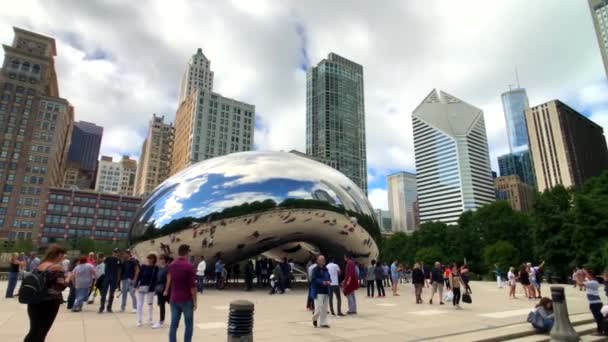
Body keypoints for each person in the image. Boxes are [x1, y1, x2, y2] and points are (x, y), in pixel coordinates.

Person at [23, 245, 67, 342]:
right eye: (63, 255)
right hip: (49, 303)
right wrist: (68, 278)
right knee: (42, 332)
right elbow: (60, 287)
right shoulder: (56, 267)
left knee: (34, 330)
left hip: (34, 301)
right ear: (59, 254)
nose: (63, 258)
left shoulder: (40, 265)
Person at [165, 244, 197, 342]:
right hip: (186, 299)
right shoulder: (189, 266)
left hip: (174, 298)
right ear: (187, 253)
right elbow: (192, 287)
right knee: (189, 324)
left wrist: (166, 290)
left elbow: (169, 279)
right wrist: (195, 302)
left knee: (174, 324)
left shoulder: (171, 265)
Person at [135, 253, 158, 327]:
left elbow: (156, 278)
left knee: (150, 304)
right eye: (148, 258)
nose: (149, 260)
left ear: (154, 259)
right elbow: (139, 276)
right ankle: (139, 320)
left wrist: (155, 288)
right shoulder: (143, 267)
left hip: (151, 287)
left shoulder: (156, 268)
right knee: (140, 304)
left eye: (151, 258)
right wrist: (135, 286)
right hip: (142, 286)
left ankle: (150, 318)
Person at [311, 255, 331, 328]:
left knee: (325, 308)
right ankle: (314, 318)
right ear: (318, 261)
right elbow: (314, 279)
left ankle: (323, 323)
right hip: (318, 291)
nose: (323, 261)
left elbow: (328, 277)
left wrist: (329, 281)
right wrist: (323, 282)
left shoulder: (326, 269)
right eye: (321, 260)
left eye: (324, 260)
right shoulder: (315, 270)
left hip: (326, 290)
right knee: (319, 308)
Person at [99, 248, 122, 313]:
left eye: (117, 252)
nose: (116, 253)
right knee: (104, 293)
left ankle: (109, 307)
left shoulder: (119, 260)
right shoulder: (108, 258)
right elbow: (102, 263)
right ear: (112, 252)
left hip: (114, 278)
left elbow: (119, 270)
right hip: (107, 277)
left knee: (112, 294)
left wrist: (118, 279)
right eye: (115, 252)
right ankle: (102, 307)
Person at [583, 270, 605, 336]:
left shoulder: (592, 282)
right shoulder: (593, 282)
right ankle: (603, 330)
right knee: (599, 318)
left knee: (598, 318)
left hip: (595, 303)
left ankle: (600, 331)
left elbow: (579, 283)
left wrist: (577, 276)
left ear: (590, 275)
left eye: (587, 274)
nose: (586, 276)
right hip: (595, 303)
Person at [153, 254, 170, 329]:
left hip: (165, 289)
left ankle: (161, 322)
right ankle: (161, 320)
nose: (160, 260)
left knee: (169, 305)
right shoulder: (159, 268)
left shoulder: (167, 268)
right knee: (161, 305)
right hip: (159, 288)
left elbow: (169, 280)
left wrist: (166, 290)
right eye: (160, 258)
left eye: (162, 258)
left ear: (165, 260)